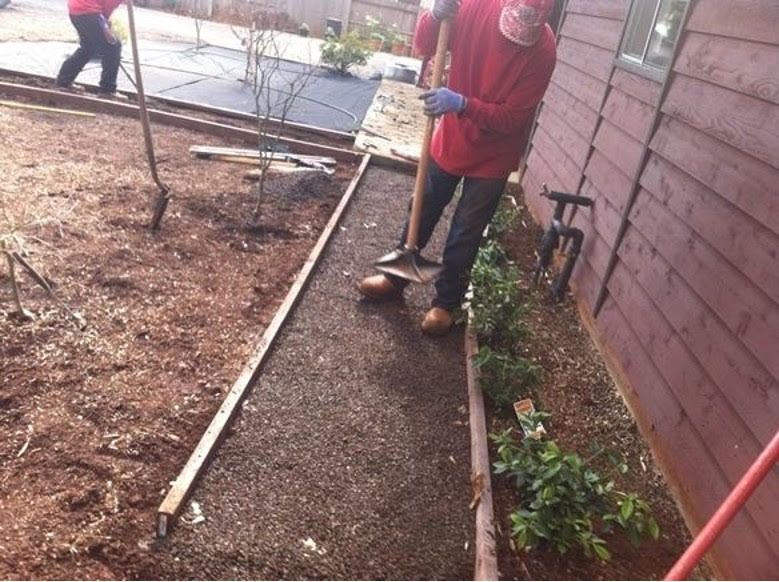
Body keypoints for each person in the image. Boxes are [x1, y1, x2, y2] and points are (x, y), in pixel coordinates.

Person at [358, 0, 557, 336]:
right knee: (423, 207)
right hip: (451, 137)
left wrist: (462, 103)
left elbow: (512, 119)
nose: (520, 35)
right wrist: (434, 16)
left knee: (466, 230)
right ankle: (395, 279)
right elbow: (423, 43)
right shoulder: (474, 6)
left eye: (529, 29)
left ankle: (444, 304)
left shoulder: (544, 50)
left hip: (495, 152)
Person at [56, 0, 124, 97]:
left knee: (88, 47)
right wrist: (104, 25)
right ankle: (107, 90)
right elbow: (108, 6)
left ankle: (63, 81)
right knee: (113, 47)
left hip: (76, 9)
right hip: (89, 11)